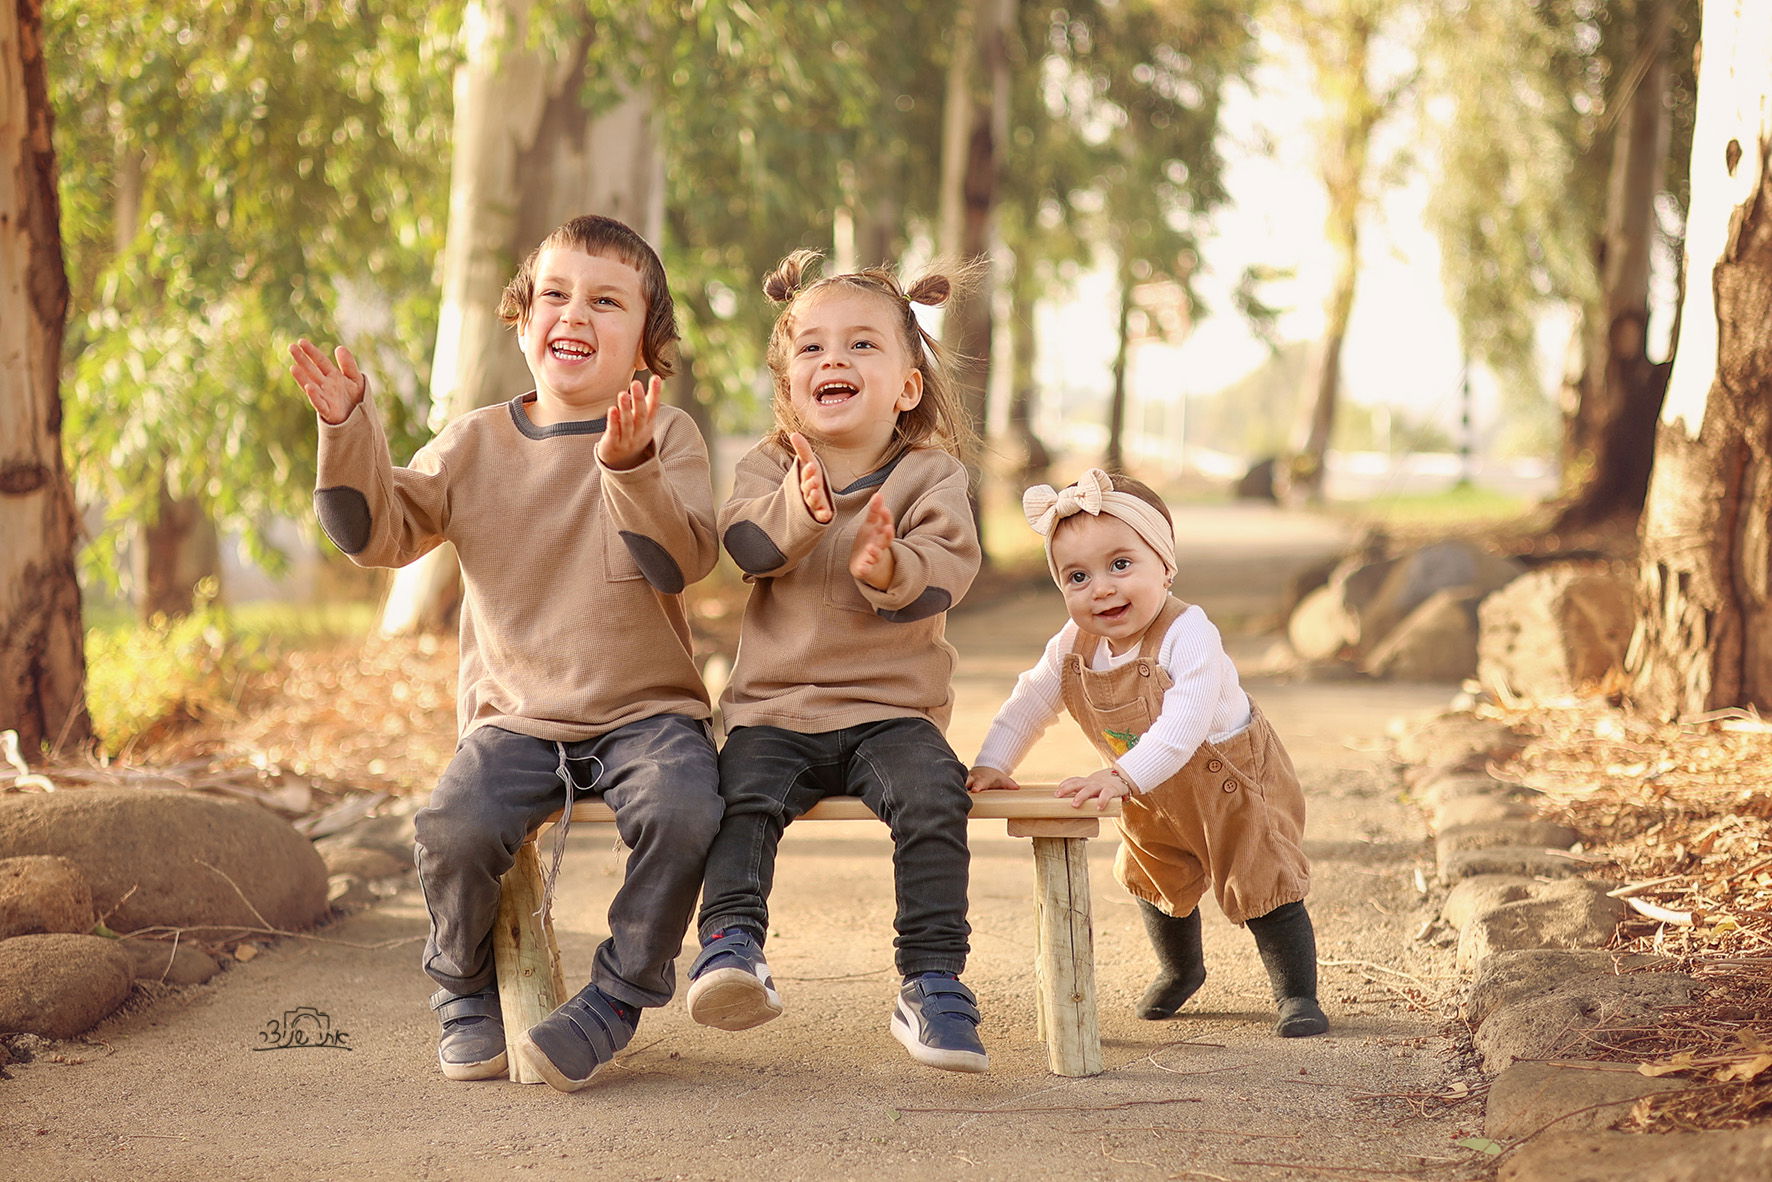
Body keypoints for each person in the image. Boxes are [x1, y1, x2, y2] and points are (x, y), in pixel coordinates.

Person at [287, 214, 724, 1093]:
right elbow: (376, 531)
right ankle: (459, 980)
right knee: (452, 827)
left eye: (608, 301)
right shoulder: (475, 442)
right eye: (556, 294)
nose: (577, 313)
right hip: (517, 719)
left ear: (648, 342)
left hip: (647, 713)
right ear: (523, 322)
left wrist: (629, 465)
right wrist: (347, 430)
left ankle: (618, 994)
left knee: (687, 810)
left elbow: (683, 560)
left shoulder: (667, 437)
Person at [684, 250, 989, 1072]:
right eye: (813, 348)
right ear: (790, 388)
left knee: (934, 797)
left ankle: (932, 980)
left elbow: (945, 578)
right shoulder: (772, 466)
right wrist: (799, 512)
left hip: (892, 711)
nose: (835, 361)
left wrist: (891, 567)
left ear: (907, 385)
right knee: (738, 798)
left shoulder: (932, 474)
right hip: (775, 711)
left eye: (862, 346)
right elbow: (742, 545)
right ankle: (730, 947)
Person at [966, 469, 1329, 1038]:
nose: (1101, 588)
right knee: (1157, 878)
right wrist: (993, 763)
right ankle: (1180, 970)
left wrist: (1119, 775)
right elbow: (1029, 702)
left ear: (1164, 564)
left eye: (1120, 565)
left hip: (1230, 781)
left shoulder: (1190, 634)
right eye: (1077, 576)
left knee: (1263, 880)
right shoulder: (1071, 644)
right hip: (1147, 788)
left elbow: (1183, 725)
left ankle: (1296, 994)